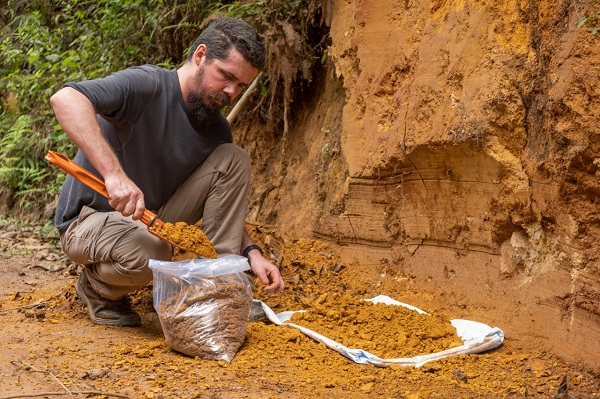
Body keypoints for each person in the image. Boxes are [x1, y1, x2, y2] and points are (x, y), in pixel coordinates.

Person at [50, 17, 285, 327]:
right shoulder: (147, 86)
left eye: (240, 85)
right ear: (201, 56)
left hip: (148, 218)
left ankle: (216, 286)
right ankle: (97, 288)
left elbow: (224, 207)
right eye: (226, 76)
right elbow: (66, 98)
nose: (231, 91)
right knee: (154, 249)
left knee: (233, 159)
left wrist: (250, 251)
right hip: (88, 220)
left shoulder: (217, 129)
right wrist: (114, 175)